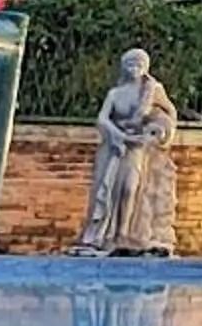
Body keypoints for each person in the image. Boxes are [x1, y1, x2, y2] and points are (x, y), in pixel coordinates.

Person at [71, 49, 178, 257]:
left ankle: (125, 233)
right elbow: (102, 119)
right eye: (130, 65)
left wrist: (161, 131)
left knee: (130, 188)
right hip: (115, 147)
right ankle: (107, 236)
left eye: (139, 65)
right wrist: (117, 135)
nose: (135, 69)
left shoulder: (152, 90)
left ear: (145, 67)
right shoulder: (115, 93)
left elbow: (170, 112)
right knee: (110, 190)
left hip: (137, 146)